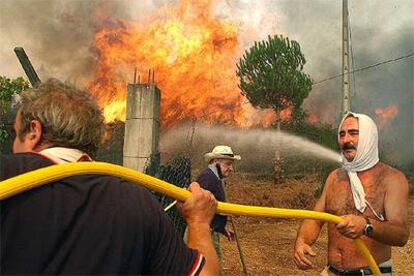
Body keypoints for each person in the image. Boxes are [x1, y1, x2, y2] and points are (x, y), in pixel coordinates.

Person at [0, 79, 219, 275]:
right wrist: (199, 222)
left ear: (33, 131)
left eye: (14, 133)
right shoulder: (139, 203)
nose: (12, 145)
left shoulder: (6, 175)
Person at [293, 112, 410, 275]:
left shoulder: (392, 179)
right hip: (332, 272)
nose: (346, 140)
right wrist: (302, 241)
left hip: (372, 272)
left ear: (369, 137)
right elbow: (316, 218)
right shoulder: (335, 177)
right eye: (342, 134)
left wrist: (366, 226)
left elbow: (401, 234)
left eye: (353, 133)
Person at [197, 145, 241, 259]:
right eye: (228, 164)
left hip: (209, 231)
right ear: (215, 161)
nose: (231, 169)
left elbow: (213, 208)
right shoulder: (207, 177)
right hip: (203, 233)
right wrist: (229, 211)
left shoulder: (215, 179)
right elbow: (202, 206)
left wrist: (222, 228)